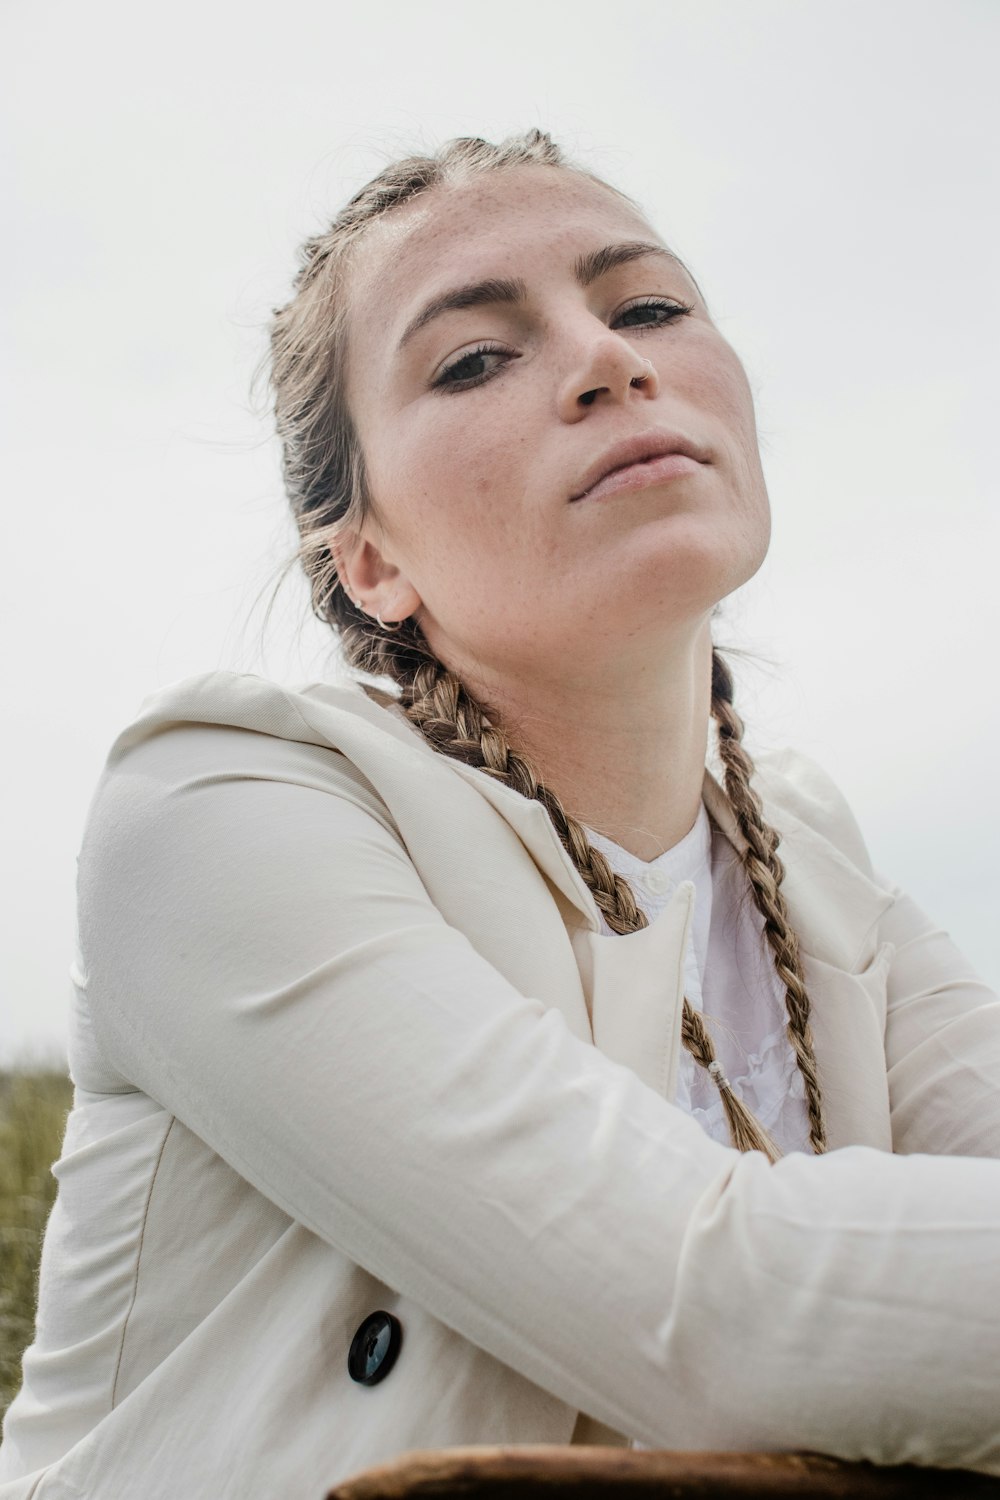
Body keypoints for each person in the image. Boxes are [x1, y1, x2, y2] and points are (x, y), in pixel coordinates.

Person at [2, 127, 1000, 1500]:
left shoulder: (815, 861)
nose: (608, 358)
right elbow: (707, 1305)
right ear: (370, 560)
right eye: (475, 358)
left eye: (647, 305)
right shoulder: (219, 800)